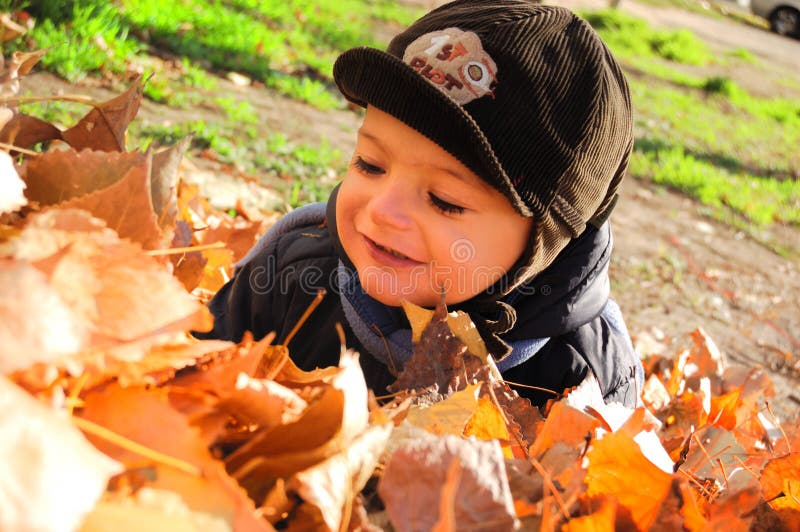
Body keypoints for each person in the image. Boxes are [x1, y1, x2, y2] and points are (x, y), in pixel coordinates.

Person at [197, 0, 644, 407]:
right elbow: (181, 385)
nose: (381, 211)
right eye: (370, 165)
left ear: (546, 242)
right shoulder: (289, 275)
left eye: (444, 201)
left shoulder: (578, 379)